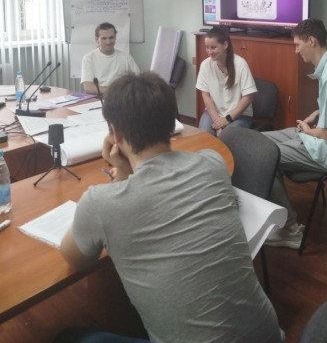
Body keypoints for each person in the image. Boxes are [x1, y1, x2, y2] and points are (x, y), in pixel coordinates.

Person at [56, 72, 283, 343]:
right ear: (171, 123)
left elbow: (76, 259)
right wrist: (128, 173)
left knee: (71, 337)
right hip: (269, 335)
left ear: (115, 133)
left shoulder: (101, 203)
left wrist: (122, 176)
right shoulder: (212, 164)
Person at [264, 18, 327, 250]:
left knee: (264, 157)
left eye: (298, 45)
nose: (296, 51)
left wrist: (309, 131)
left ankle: (290, 230)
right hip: (323, 142)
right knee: (258, 143)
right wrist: (317, 114)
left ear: (311, 40)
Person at [196, 26, 257, 136]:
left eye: (213, 47)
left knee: (225, 137)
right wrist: (218, 122)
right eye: (207, 47)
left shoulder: (240, 64)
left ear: (225, 45)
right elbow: (205, 96)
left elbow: (248, 97)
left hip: (239, 116)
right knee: (204, 136)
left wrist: (227, 119)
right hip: (214, 113)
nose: (209, 52)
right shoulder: (205, 65)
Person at [81, 22, 140, 95]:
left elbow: (139, 81)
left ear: (115, 38)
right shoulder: (88, 59)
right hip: (99, 97)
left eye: (111, 38)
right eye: (104, 38)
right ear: (97, 39)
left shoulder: (126, 58)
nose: (108, 42)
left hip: (121, 97)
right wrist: (115, 89)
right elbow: (89, 88)